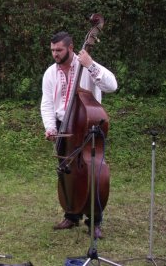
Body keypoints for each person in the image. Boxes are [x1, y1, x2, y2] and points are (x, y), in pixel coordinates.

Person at [40, 31, 117, 239]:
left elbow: (112, 86)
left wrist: (91, 64)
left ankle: (95, 221)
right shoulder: (50, 73)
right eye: (52, 50)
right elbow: (47, 103)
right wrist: (50, 127)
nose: (55, 54)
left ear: (71, 48)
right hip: (63, 126)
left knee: (94, 173)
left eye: (59, 50)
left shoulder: (87, 65)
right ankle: (71, 214)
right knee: (66, 170)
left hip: (88, 125)